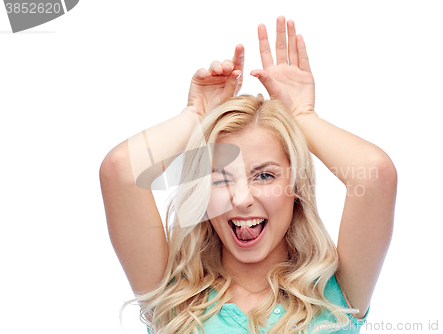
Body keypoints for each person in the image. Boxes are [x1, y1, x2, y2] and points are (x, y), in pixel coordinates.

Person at [99, 16, 397, 334]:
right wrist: (197, 115)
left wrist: (301, 116)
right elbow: (121, 170)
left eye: (265, 176)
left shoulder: (335, 293)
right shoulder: (173, 296)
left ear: (296, 185)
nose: (242, 199)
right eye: (221, 178)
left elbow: (375, 175)